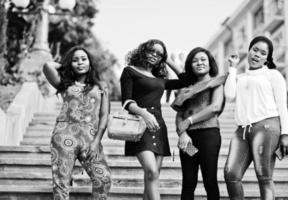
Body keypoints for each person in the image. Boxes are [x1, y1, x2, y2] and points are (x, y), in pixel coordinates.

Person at [223, 36, 288, 199]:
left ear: (267, 59)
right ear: (248, 51)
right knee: (231, 174)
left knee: (264, 176)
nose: (257, 55)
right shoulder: (240, 77)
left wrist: (286, 134)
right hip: (241, 131)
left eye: (262, 53)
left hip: (267, 127)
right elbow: (229, 94)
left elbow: (282, 106)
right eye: (254, 50)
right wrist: (232, 68)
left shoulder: (273, 75)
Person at [120, 39, 186, 200]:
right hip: (140, 125)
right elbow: (126, 102)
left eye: (159, 54)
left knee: (152, 176)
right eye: (151, 51)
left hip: (158, 127)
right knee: (152, 171)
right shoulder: (130, 71)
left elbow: (185, 80)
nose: (154, 55)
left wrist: (168, 59)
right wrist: (144, 114)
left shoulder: (160, 79)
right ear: (143, 50)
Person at [43, 46, 111, 200]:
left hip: (90, 137)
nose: (80, 63)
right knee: (61, 182)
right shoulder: (64, 83)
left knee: (104, 179)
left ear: (90, 62)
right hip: (64, 134)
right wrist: (66, 66)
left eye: (83, 59)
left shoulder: (101, 85)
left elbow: (104, 115)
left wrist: (97, 141)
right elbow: (48, 66)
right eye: (75, 60)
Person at [173, 47, 226, 200]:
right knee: (189, 181)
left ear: (210, 63)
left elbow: (214, 107)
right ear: (190, 65)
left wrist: (189, 121)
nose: (199, 63)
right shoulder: (186, 88)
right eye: (195, 61)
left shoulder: (217, 83)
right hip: (189, 140)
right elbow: (179, 114)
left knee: (209, 180)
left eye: (203, 59)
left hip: (208, 136)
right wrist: (182, 134)